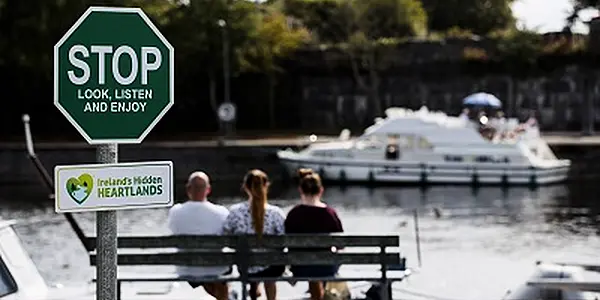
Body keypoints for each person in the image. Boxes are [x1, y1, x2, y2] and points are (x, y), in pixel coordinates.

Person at [222, 169, 286, 300]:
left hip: (245, 266)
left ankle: (253, 288)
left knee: (248, 259)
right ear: (266, 186)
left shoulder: (235, 212)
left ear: (245, 187)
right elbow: (283, 242)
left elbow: (226, 237)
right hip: (271, 269)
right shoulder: (276, 213)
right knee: (271, 263)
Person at [167, 171, 231, 300]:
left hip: (186, 269)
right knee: (219, 275)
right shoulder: (221, 212)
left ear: (188, 189)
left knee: (209, 276)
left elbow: (174, 230)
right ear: (208, 190)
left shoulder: (175, 211)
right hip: (215, 268)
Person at [285, 168, 344, 300]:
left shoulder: (294, 214)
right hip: (327, 268)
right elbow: (341, 244)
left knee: (310, 261)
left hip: (300, 267)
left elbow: (287, 241)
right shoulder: (330, 213)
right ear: (321, 190)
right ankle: (319, 296)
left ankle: (317, 296)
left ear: (300, 190)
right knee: (326, 258)